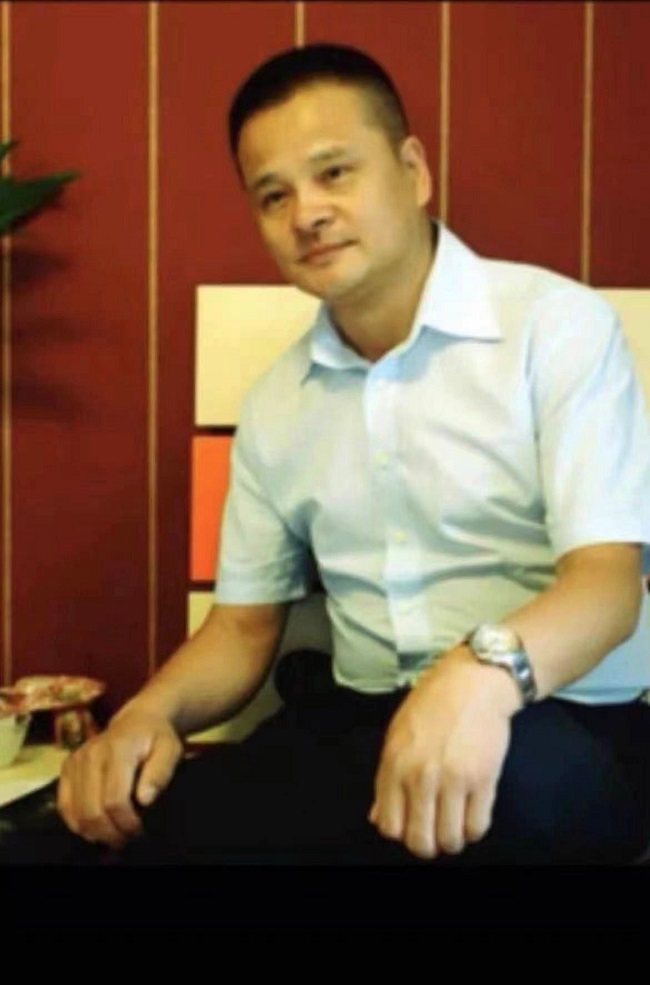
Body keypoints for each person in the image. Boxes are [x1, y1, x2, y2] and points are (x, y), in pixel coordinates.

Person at [57, 43, 650, 865]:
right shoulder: (277, 401)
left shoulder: (557, 327)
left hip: (563, 717)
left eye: (334, 172)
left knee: (503, 806)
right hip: (358, 722)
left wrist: (477, 677)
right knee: (150, 826)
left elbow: (609, 583)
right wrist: (146, 714)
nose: (306, 213)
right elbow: (241, 627)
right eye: (274, 195)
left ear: (413, 170)